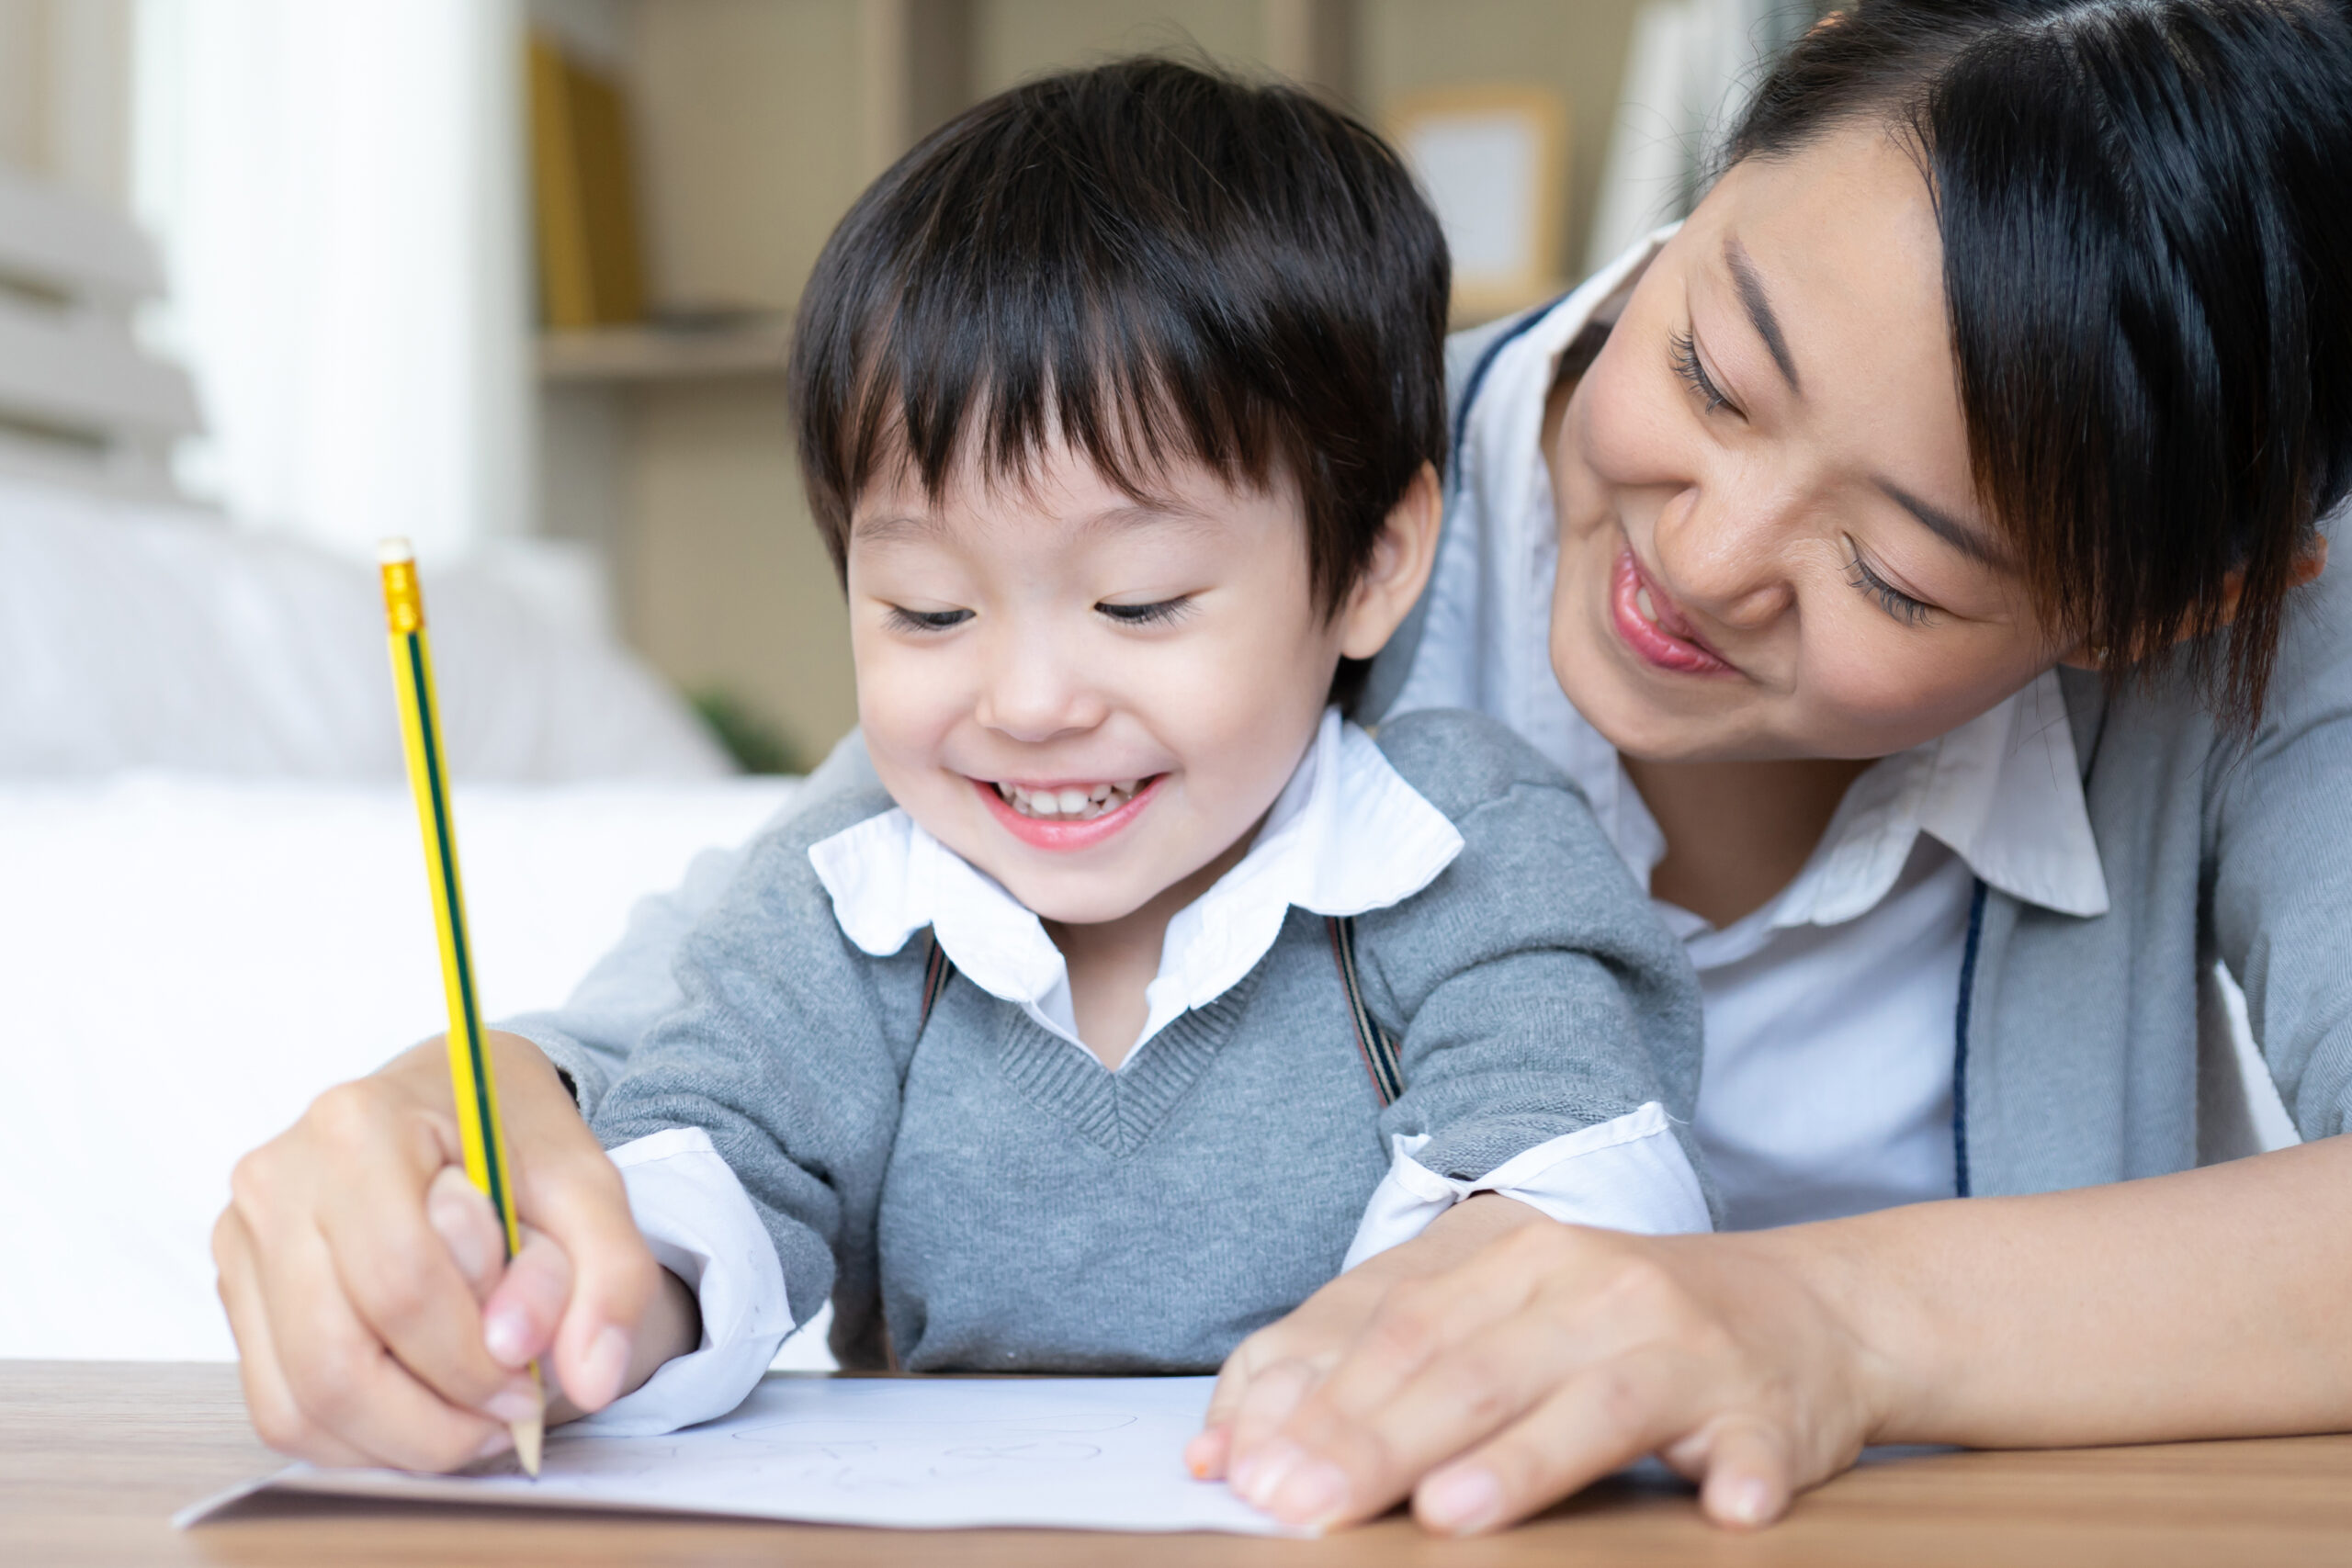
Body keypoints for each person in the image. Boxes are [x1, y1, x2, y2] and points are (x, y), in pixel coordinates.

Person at [212, 0, 2352, 1534]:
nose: (1700, 553)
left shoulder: (2259, 638)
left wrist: (1809, 1319)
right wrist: (478, 1125)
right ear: (1710, 185)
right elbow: (770, 989)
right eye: (1706, 359)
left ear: (2155, 606)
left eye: (1897, 564)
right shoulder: (1237, 487)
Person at [549, 59, 1710, 1429]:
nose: (1031, 702)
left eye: (1138, 602)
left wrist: (1436, 1306)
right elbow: (710, 1158)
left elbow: (1573, 1148)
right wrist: (587, 1313)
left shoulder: (1461, 847)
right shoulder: (848, 898)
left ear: (1375, 561)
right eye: (930, 610)